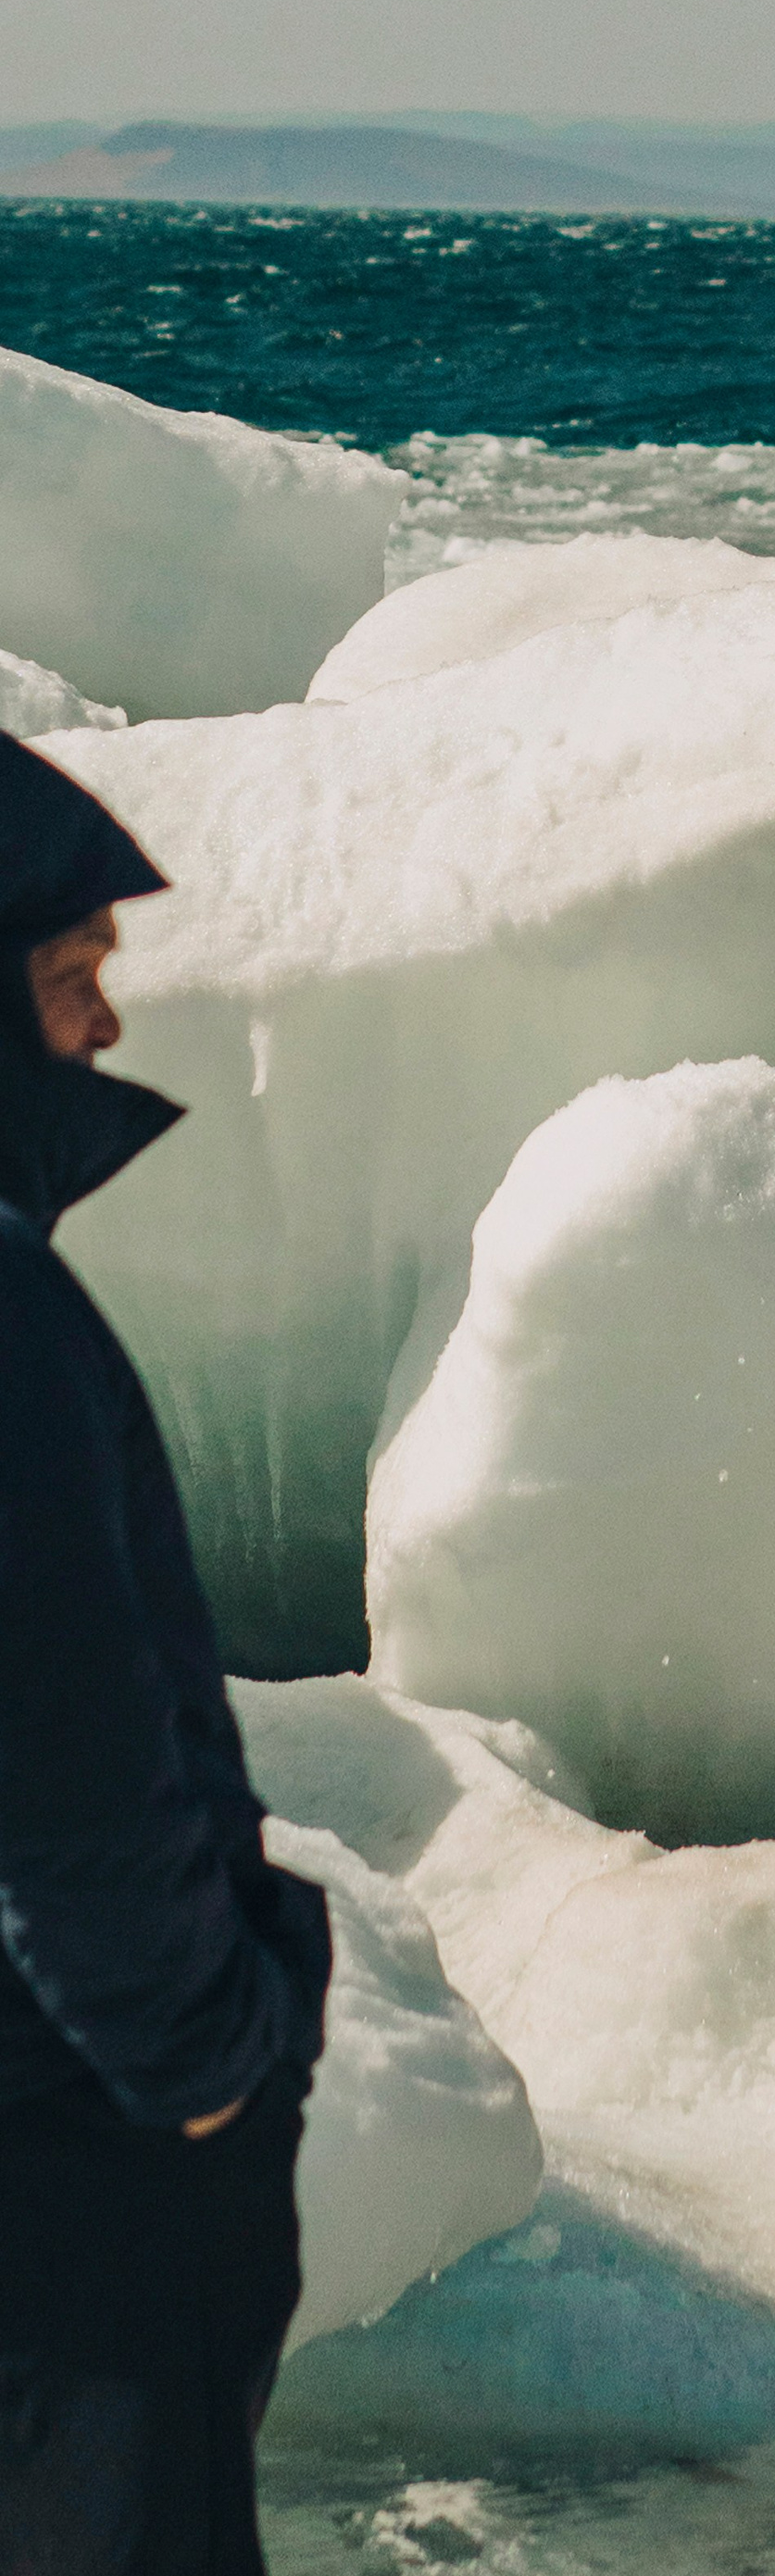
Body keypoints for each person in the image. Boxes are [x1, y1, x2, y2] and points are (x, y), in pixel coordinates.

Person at [0, 734, 331, 2574]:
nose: (108, 1030)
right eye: (69, 982)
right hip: (68, 2148)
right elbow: (64, 1768)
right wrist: (208, 2057)